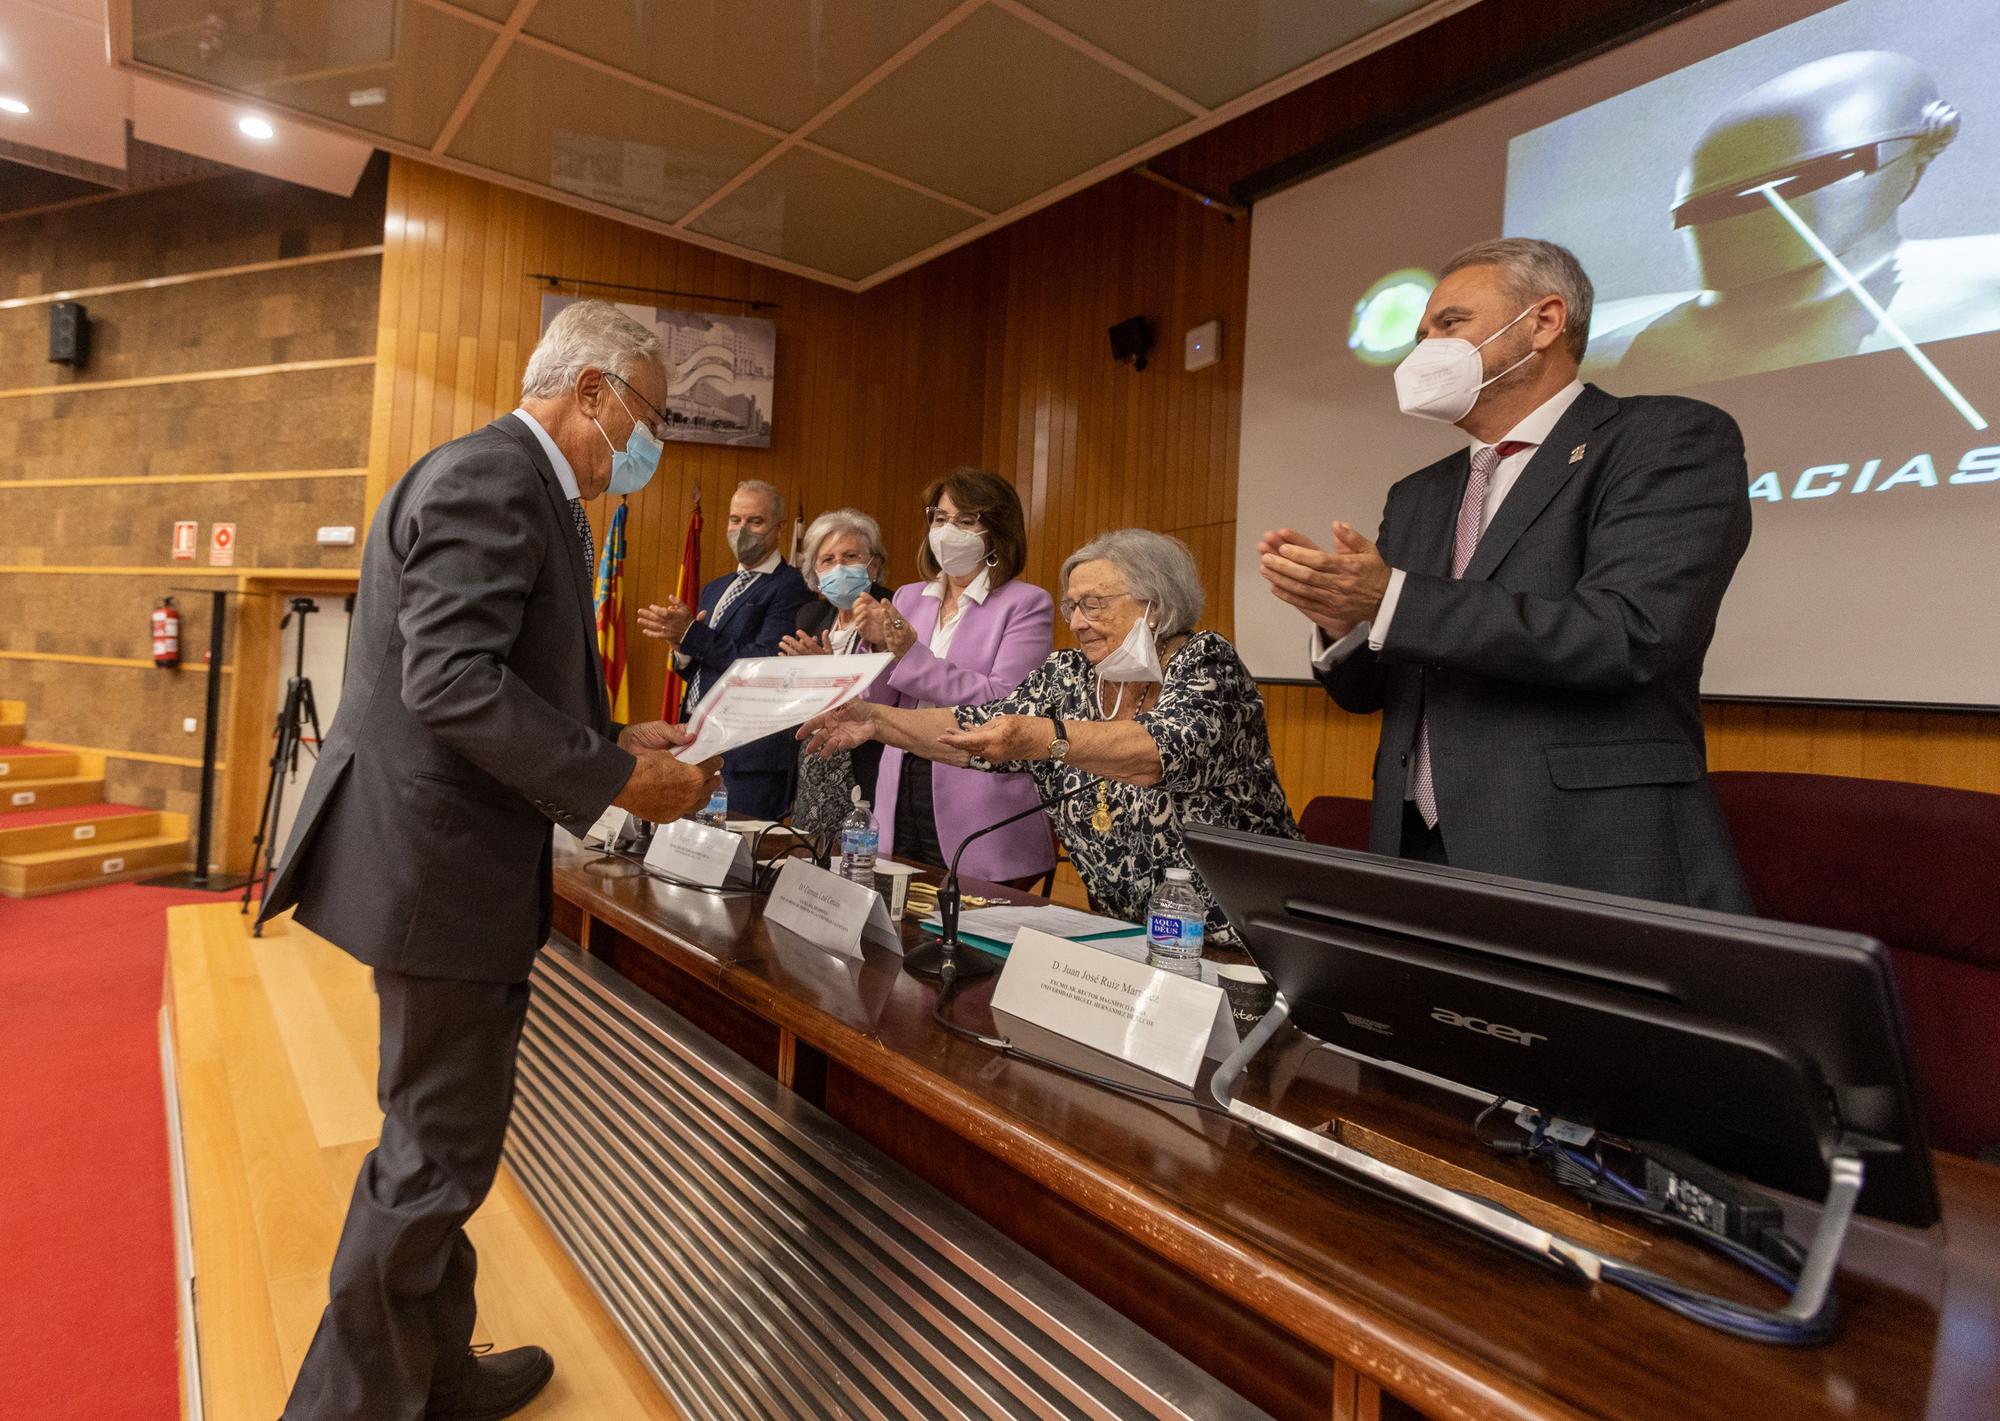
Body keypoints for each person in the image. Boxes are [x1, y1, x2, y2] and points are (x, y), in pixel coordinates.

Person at [255, 299, 723, 1421]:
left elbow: (489, 673)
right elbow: (451, 683)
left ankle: (437, 1370)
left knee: (447, 1137)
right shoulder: (496, 478)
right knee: (430, 1157)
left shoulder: (506, 479)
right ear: (595, 393)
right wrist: (613, 783)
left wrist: (610, 741)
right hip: (439, 872)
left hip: (446, 863)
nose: (651, 447)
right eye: (651, 417)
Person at [1260, 237, 1753, 912]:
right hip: (1414, 847)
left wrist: (1393, 597)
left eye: (1449, 324)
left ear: (1544, 322)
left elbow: (1630, 633)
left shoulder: (1664, 438)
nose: (1424, 348)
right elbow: (1374, 690)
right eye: (1420, 334)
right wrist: (1344, 623)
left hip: (1581, 851)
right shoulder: (1419, 493)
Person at [806, 529, 1297, 931]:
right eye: (1072, 607)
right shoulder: (1068, 674)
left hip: (1246, 938)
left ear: (1156, 603)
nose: (1078, 622)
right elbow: (978, 728)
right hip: (1126, 934)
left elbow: (1159, 750)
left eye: (1095, 604)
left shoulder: (1206, 661)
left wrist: (1042, 739)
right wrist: (876, 722)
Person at [843, 468, 1056, 886]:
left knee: (965, 932)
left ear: (997, 530)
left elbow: (1001, 702)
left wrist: (908, 652)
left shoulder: (1026, 604)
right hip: (901, 775)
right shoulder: (908, 597)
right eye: (939, 519)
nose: (947, 530)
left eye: (965, 520)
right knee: (894, 913)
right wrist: (876, 647)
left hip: (976, 790)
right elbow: (885, 701)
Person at [638, 478, 815, 818]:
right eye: (735, 520)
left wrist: (691, 633)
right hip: (697, 740)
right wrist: (682, 648)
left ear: (779, 528)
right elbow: (705, 662)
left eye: (755, 521)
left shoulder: (792, 586)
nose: (742, 529)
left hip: (750, 754)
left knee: (738, 857)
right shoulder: (717, 587)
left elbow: (766, 663)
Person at [780, 508, 894, 838]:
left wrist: (830, 675)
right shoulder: (810, 615)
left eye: (850, 556)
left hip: (866, 763)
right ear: (815, 572)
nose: (839, 567)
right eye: (827, 560)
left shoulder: (893, 610)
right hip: (814, 763)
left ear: (873, 564)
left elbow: (893, 690)